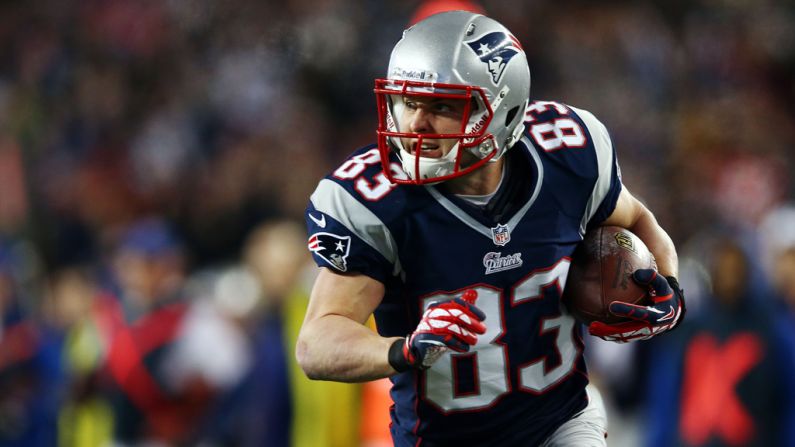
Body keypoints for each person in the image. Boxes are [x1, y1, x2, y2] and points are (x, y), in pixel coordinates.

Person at [296, 11, 685, 446]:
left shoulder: (568, 156)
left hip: (559, 421)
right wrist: (404, 348)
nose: (415, 125)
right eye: (408, 102)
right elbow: (317, 343)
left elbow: (636, 220)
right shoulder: (374, 201)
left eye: (443, 105)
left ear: (503, 111)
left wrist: (668, 286)